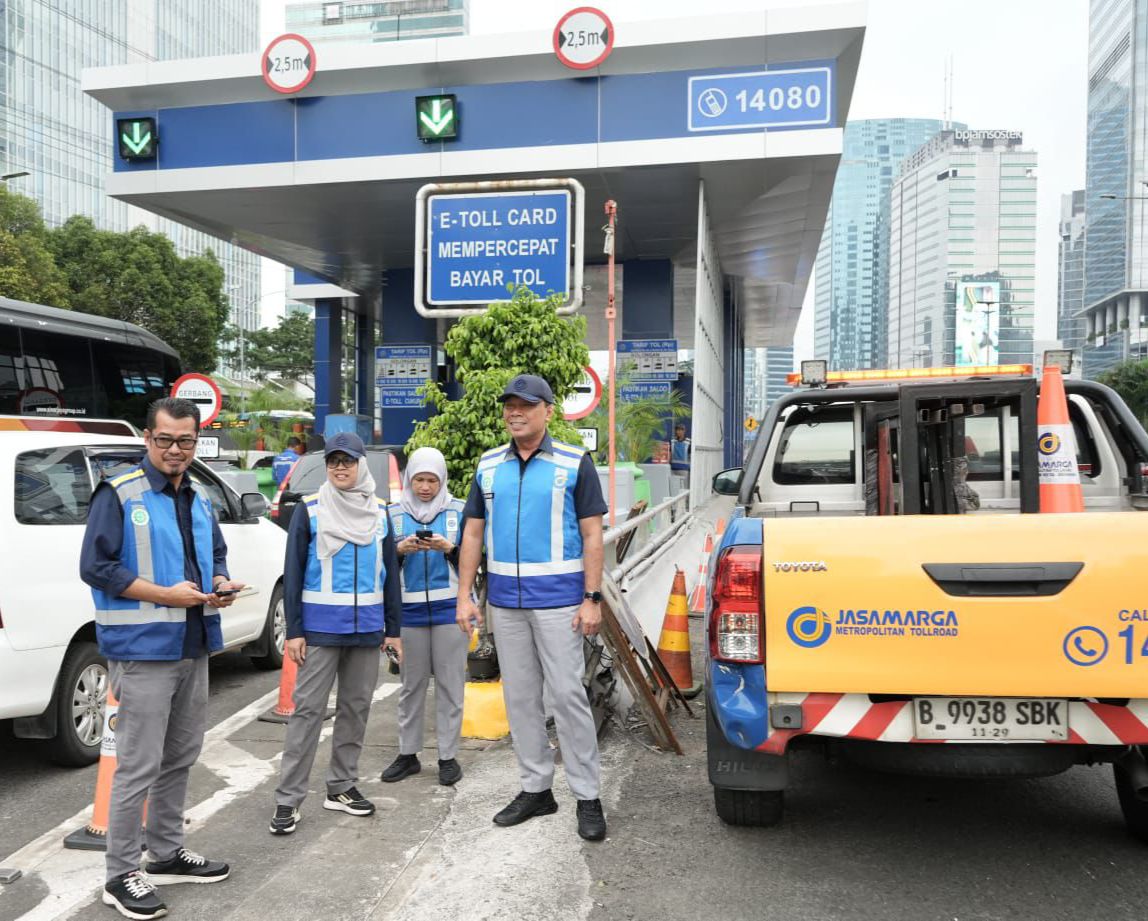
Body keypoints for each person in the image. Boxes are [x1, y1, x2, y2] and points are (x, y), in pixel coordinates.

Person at [80, 397, 243, 921]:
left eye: (186, 441)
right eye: (166, 440)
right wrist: (164, 595)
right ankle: (119, 873)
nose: (176, 450)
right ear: (148, 439)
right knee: (137, 766)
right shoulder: (120, 493)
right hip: (143, 649)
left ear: (197, 441)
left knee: (180, 756)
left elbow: (212, 555)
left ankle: (166, 850)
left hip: (192, 643)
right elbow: (96, 567)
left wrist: (220, 583)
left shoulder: (196, 497)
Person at [456, 373, 609, 842]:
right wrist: (465, 594)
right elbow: (474, 534)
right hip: (505, 603)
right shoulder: (487, 466)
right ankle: (536, 788)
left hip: (561, 603)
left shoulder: (573, 462)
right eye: (509, 405)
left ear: (547, 410)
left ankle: (587, 795)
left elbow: (591, 534)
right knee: (519, 699)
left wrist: (591, 598)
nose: (514, 412)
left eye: (525, 405)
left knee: (566, 696)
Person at [270, 432, 402, 836]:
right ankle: (288, 799)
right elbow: (292, 575)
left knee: (355, 709)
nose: (340, 468)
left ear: (361, 465)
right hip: (321, 629)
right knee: (308, 712)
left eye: (347, 461)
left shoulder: (380, 513)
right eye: (333, 462)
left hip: (366, 630)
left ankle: (342, 786)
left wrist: (392, 630)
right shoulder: (310, 510)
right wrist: (294, 631)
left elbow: (389, 577)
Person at [381, 447, 468, 787]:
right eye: (419, 479)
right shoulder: (392, 515)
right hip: (409, 611)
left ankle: (448, 756)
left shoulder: (459, 511)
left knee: (450, 686)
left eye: (433, 480)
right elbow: (381, 566)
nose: (426, 487)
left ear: (442, 480)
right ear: (409, 479)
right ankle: (408, 754)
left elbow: (476, 562)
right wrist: (398, 551)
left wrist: (450, 549)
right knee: (410, 685)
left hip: (451, 610)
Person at [670, 423, 691, 487]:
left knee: (684, 488)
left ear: (684, 431)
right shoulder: (672, 442)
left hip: (684, 470)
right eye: (677, 430)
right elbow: (669, 454)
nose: (678, 432)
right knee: (674, 487)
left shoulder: (688, 442)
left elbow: (691, 456)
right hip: (673, 469)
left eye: (680, 430)